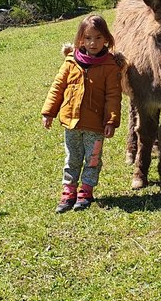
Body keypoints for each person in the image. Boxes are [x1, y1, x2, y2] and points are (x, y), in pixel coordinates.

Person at [41, 15, 124, 213]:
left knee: (93, 159)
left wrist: (111, 121)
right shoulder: (71, 62)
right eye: (88, 38)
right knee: (72, 158)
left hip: (95, 126)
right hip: (72, 124)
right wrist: (49, 112)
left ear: (106, 39)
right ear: (80, 39)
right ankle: (68, 192)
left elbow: (113, 96)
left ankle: (86, 192)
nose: (93, 43)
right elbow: (57, 87)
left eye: (98, 38)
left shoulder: (110, 66)